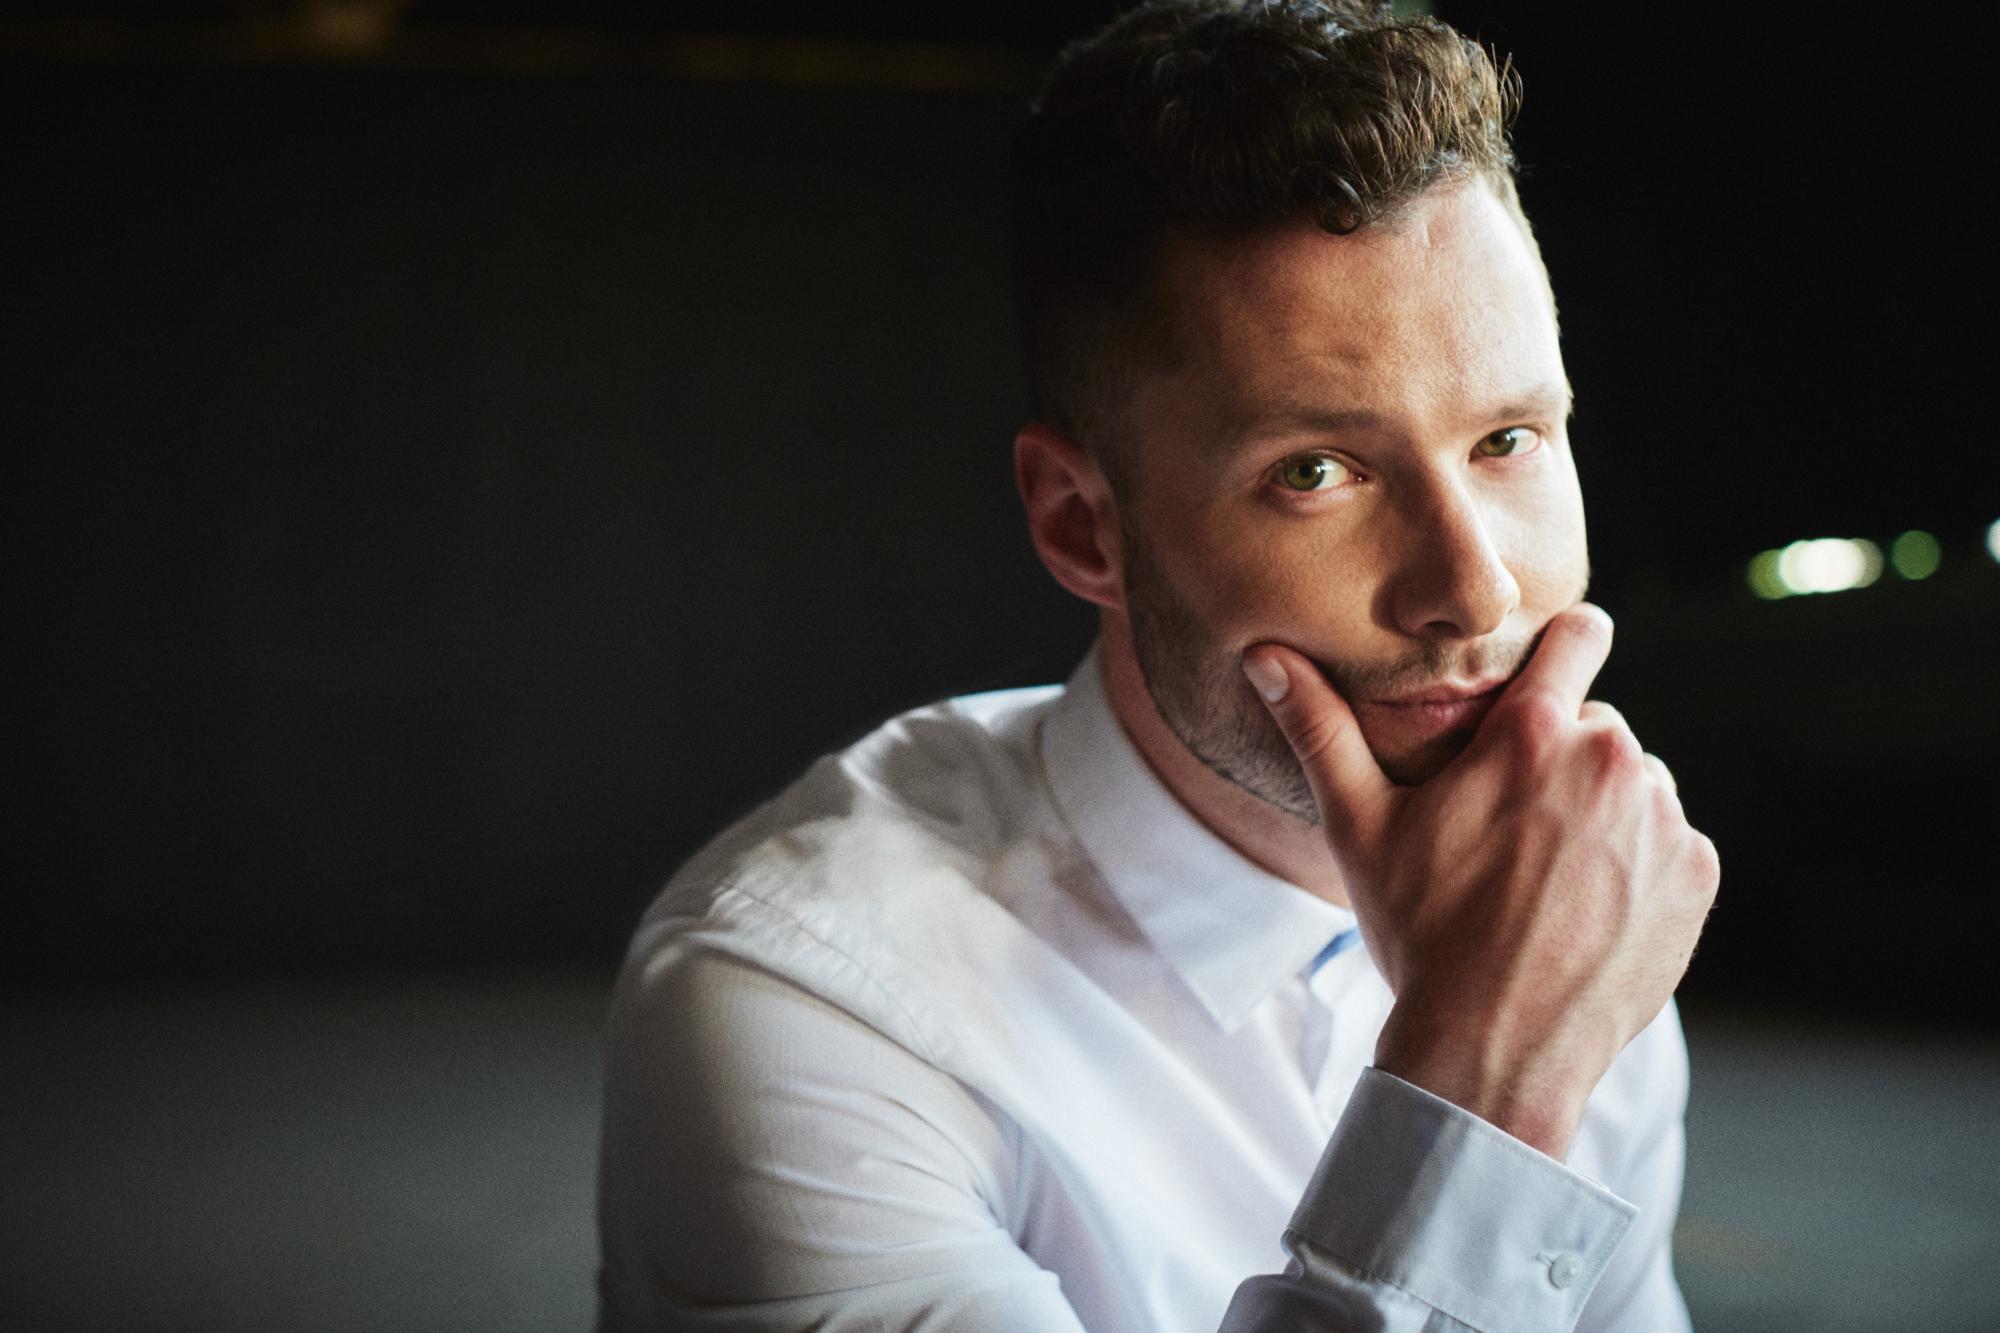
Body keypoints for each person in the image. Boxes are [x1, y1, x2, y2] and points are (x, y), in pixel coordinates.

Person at [596, 1, 1719, 1329]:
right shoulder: (807, 997)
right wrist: (1486, 1090)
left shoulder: (1572, 901)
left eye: (1509, 441)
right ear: (1084, 526)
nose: (1474, 588)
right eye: (1317, 472)